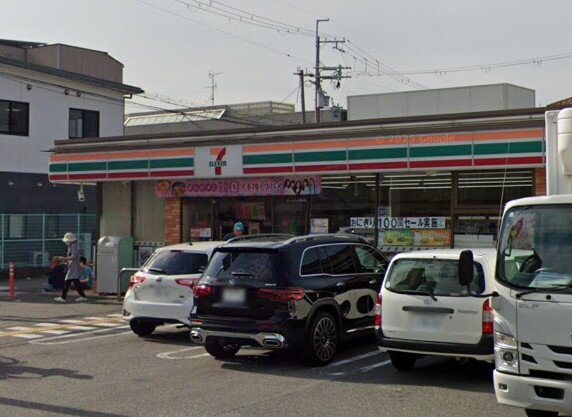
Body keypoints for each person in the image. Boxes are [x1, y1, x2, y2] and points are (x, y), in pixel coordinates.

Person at [54, 233, 87, 303]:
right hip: (73, 266)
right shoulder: (72, 246)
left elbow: (73, 256)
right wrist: (66, 261)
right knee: (76, 282)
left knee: (67, 281)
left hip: (73, 267)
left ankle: (63, 297)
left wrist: (63, 258)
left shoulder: (74, 246)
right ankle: (83, 296)